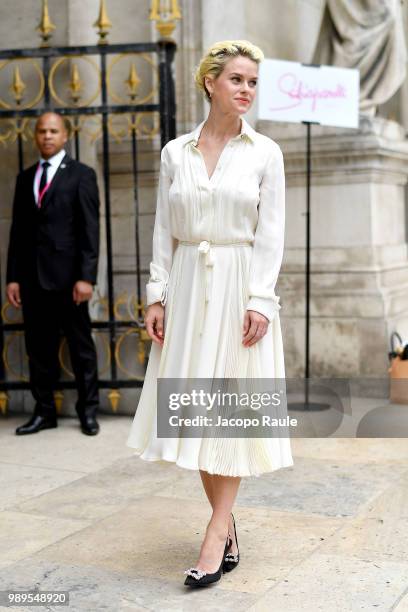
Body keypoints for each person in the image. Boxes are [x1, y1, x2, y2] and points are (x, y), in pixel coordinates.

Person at [126, 40, 294, 587]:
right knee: (198, 412)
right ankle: (226, 526)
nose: (246, 90)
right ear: (210, 82)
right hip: (187, 283)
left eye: (252, 82)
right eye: (236, 80)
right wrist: (156, 293)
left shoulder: (266, 152)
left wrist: (260, 300)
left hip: (240, 288)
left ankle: (215, 532)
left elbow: (272, 235)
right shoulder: (175, 152)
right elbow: (161, 229)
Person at [6, 112, 100, 436]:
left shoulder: (82, 175)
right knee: (39, 349)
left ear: (65, 135)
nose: (47, 136)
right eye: (42, 131)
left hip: (70, 280)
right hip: (33, 280)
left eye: (53, 131)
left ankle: (88, 411)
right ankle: (44, 411)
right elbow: (17, 232)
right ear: (35, 136)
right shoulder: (25, 177)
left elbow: (90, 229)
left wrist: (86, 277)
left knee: (80, 348)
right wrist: (13, 277)